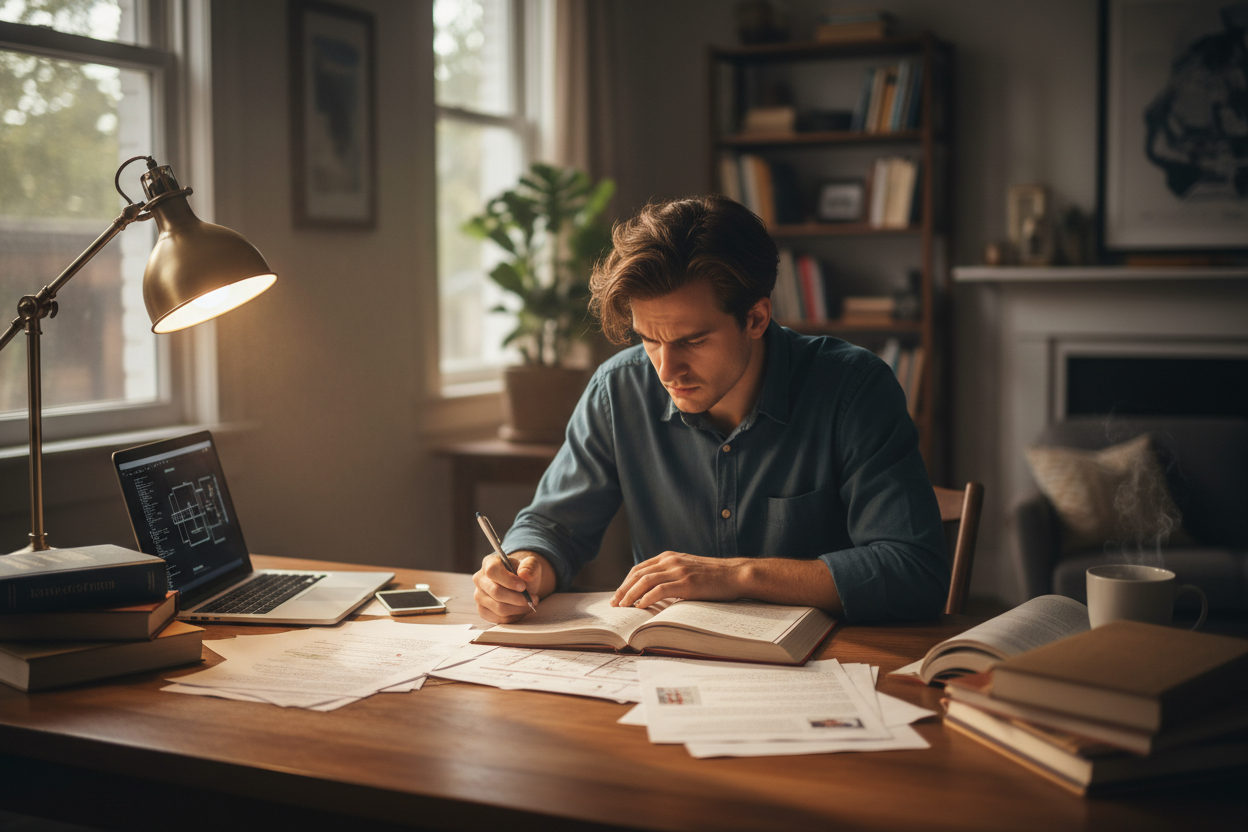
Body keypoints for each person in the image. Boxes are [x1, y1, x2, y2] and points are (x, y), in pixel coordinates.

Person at [472, 194, 948, 624]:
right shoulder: (619, 390)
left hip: (826, 667)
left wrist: (736, 575)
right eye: (648, 340)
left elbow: (913, 571)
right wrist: (526, 565)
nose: (665, 368)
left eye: (692, 341)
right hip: (669, 668)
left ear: (756, 318)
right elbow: (553, 526)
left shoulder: (853, 389)